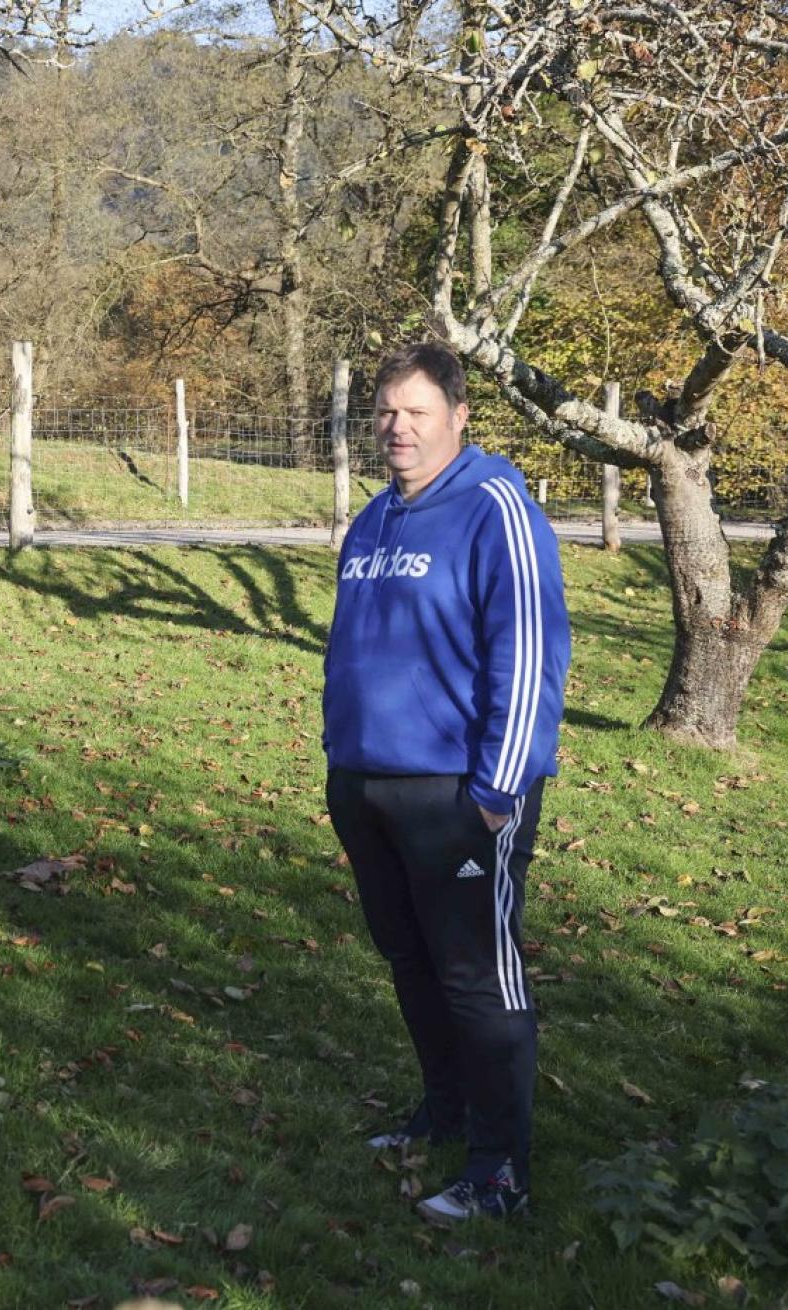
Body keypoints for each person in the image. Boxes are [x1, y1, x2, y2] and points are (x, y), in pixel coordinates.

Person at [321, 341, 570, 1224]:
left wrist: (499, 789)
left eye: (416, 411)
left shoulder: (495, 505)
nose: (397, 427)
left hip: (461, 794)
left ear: (458, 418)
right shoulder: (376, 519)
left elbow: (530, 649)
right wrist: (339, 765)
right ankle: (446, 1112)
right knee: (411, 959)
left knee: (476, 976)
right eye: (387, 410)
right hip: (367, 787)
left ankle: (501, 1170)